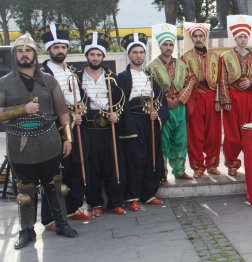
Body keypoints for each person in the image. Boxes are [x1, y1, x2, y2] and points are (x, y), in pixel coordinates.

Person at [1, 33, 78, 249]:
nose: (24, 55)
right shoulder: (5, 84)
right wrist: (22, 109)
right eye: (20, 51)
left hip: (49, 140)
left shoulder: (49, 81)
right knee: (25, 191)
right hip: (20, 143)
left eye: (28, 51)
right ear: (14, 54)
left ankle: (62, 224)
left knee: (55, 185)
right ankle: (27, 231)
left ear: (34, 54)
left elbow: (63, 115)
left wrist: (68, 140)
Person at [37, 23, 92, 224]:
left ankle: (72, 207)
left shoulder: (71, 71)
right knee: (54, 172)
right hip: (55, 130)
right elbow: (44, 104)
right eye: (56, 47)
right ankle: (50, 217)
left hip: (77, 127)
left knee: (78, 166)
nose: (60, 51)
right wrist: (68, 116)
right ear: (48, 49)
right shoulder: (41, 74)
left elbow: (81, 97)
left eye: (63, 47)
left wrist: (80, 110)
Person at [77, 33, 127, 216]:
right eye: (92, 55)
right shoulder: (77, 78)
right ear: (87, 56)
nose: (95, 58)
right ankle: (95, 203)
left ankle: (116, 202)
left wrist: (117, 116)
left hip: (109, 128)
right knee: (92, 167)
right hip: (88, 128)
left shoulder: (112, 78)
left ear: (103, 57)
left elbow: (121, 102)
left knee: (113, 166)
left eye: (98, 55)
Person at [117, 33, 168, 211]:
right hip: (133, 123)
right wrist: (129, 126)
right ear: (129, 55)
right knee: (135, 160)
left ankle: (149, 193)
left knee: (151, 158)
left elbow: (161, 100)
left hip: (150, 121)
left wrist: (158, 115)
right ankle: (133, 197)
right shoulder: (122, 78)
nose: (138, 55)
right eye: (135, 52)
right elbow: (120, 103)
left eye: (141, 52)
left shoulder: (150, 76)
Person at [147, 23, 194, 180]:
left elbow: (190, 80)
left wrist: (180, 98)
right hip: (163, 108)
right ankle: (162, 174)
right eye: (165, 44)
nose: (168, 47)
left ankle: (179, 170)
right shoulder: (151, 67)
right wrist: (165, 99)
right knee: (163, 141)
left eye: (171, 44)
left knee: (181, 139)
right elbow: (148, 88)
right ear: (160, 46)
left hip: (180, 107)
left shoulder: (181, 64)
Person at [219, 15, 252, 176]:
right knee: (232, 135)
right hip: (234, 97)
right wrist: (225, 99)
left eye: (245, 36)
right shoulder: (225, 57)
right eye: (240, 37)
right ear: (235, 38)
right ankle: (232, 163)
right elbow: (222, 79)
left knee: (250, 131)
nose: (243, 39)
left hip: (250, 99)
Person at [180, 22, 222, 178]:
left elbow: (220, 79)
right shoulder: (184, 58)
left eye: (201, 36)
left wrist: (219, 99)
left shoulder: (216, 57)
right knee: (195, 135)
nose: (198, 39)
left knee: (213, 135)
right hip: (195, 97)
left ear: (205, 37)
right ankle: (198, 167)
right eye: (195, 36)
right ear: (192, 38)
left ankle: (212, 165)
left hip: (212, 98)